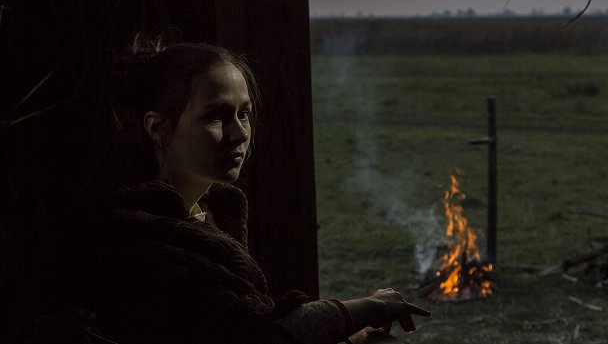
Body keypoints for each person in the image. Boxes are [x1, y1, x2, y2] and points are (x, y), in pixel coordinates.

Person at [60, 41, 430, 344]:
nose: (239, 133)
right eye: (216, 116)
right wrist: (371, 306)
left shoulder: (209, 217)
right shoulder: (138, 240)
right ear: (158, 128)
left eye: (244, 113)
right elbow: (255, 335)